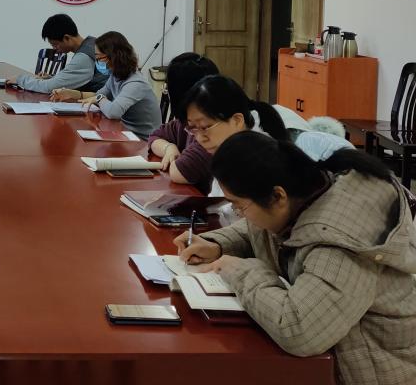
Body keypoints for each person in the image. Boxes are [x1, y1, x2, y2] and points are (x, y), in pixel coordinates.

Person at [176, 132, 416, 385]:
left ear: (278, 196)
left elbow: (299, 330)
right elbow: (262, 231)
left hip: (374, 372)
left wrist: (241, 271)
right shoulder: (302, 195)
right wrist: (217, 245)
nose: (239, 214)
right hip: (331, 361)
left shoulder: (342, 242)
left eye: (239, 206)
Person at [161, 74, 354, 194]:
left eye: (205, 127)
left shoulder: (263, 154)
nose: (199, 138)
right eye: (193, 128)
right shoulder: (232, 145)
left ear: (237, 120)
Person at [50, 31, 161, 139]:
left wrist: (99, 98)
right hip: (125, 132)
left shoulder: (135, 83)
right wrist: (72, 93)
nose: (97, 62)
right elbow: (98, 95)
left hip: (144, 141)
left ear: (114, 56)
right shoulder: (115, 76)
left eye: (99, 58)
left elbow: (113, 112)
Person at [147, 52, 220, 186]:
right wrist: (169, 148)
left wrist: (175, 159)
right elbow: (154, 136)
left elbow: (180, 172)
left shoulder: (214, 130)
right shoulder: (184, 122)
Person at [5, 13, 108, 94]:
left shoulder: (83, 57)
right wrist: (51, 77)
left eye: (55, 44)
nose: (54, 49)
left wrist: (20, 80)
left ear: (67, 38)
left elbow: (50, 87)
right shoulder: (92, 42)